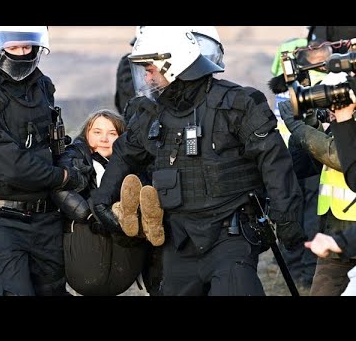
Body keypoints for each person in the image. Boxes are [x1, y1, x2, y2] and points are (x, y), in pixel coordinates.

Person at [90, 26, 305, 296]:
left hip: (232, 235)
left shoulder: (237, 102)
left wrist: (286, 216)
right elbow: (124, 154)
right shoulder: (150, 112)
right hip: (178, 240)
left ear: (174, 64)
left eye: (150, 68)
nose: (145, 76)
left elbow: (274, 160)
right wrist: (101, 200)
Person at [0, 26, 87, 296]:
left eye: (27, 47)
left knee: (52, 290)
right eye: (14, 48)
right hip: (1, 221)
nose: (22, 54)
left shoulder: (43, 87)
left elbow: (56, 143)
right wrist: (63, 177)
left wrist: (73, 159)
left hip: (46, 217)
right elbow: (11, 166)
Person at [52, 109, 164, 296]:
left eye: (112, 134)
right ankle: (123, 214)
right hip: (87, 237)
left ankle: (142, 222)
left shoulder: (135, 163)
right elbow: (62, 190)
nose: (104, 139)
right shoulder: (73, 156)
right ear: (86, 133)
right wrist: (90, 215)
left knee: (137, 191)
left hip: (125, 248)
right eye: (97, 132)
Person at [279, 72, 356, 296]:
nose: (329, 109)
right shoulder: (340, 124)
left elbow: (339, 156)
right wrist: (310, 119)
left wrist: (300, 129)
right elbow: (313, 162)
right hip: (334, 231)